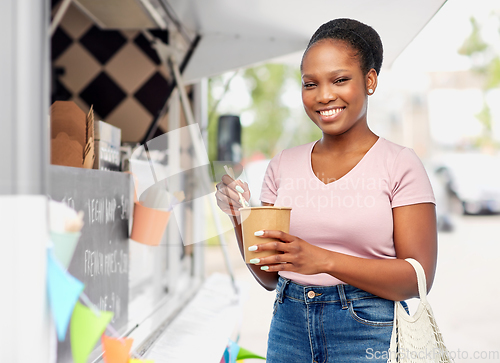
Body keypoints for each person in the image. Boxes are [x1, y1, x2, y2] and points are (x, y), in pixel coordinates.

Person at [215, 18, 437, 362]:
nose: (323, 95)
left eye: (340, 79)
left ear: (370, 80)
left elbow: (416, 278)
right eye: (310, 83)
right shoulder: (282, 165)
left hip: (368, 330)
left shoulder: (400, 164)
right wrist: (237, 217)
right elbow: (269, 277)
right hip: (288, 325)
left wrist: (321, 260)